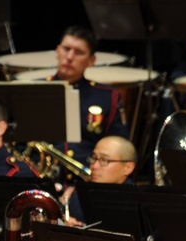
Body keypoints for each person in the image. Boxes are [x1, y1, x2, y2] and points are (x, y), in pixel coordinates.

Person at [37, 26, 130, 170]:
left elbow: (118, 147)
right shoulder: (34, 90)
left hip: (88, 174)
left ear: (91, 60)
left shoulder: (107, 97)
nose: (70, 57)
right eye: (66, 49)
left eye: (79, 52)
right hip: (39, 173)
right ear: (57, 51)